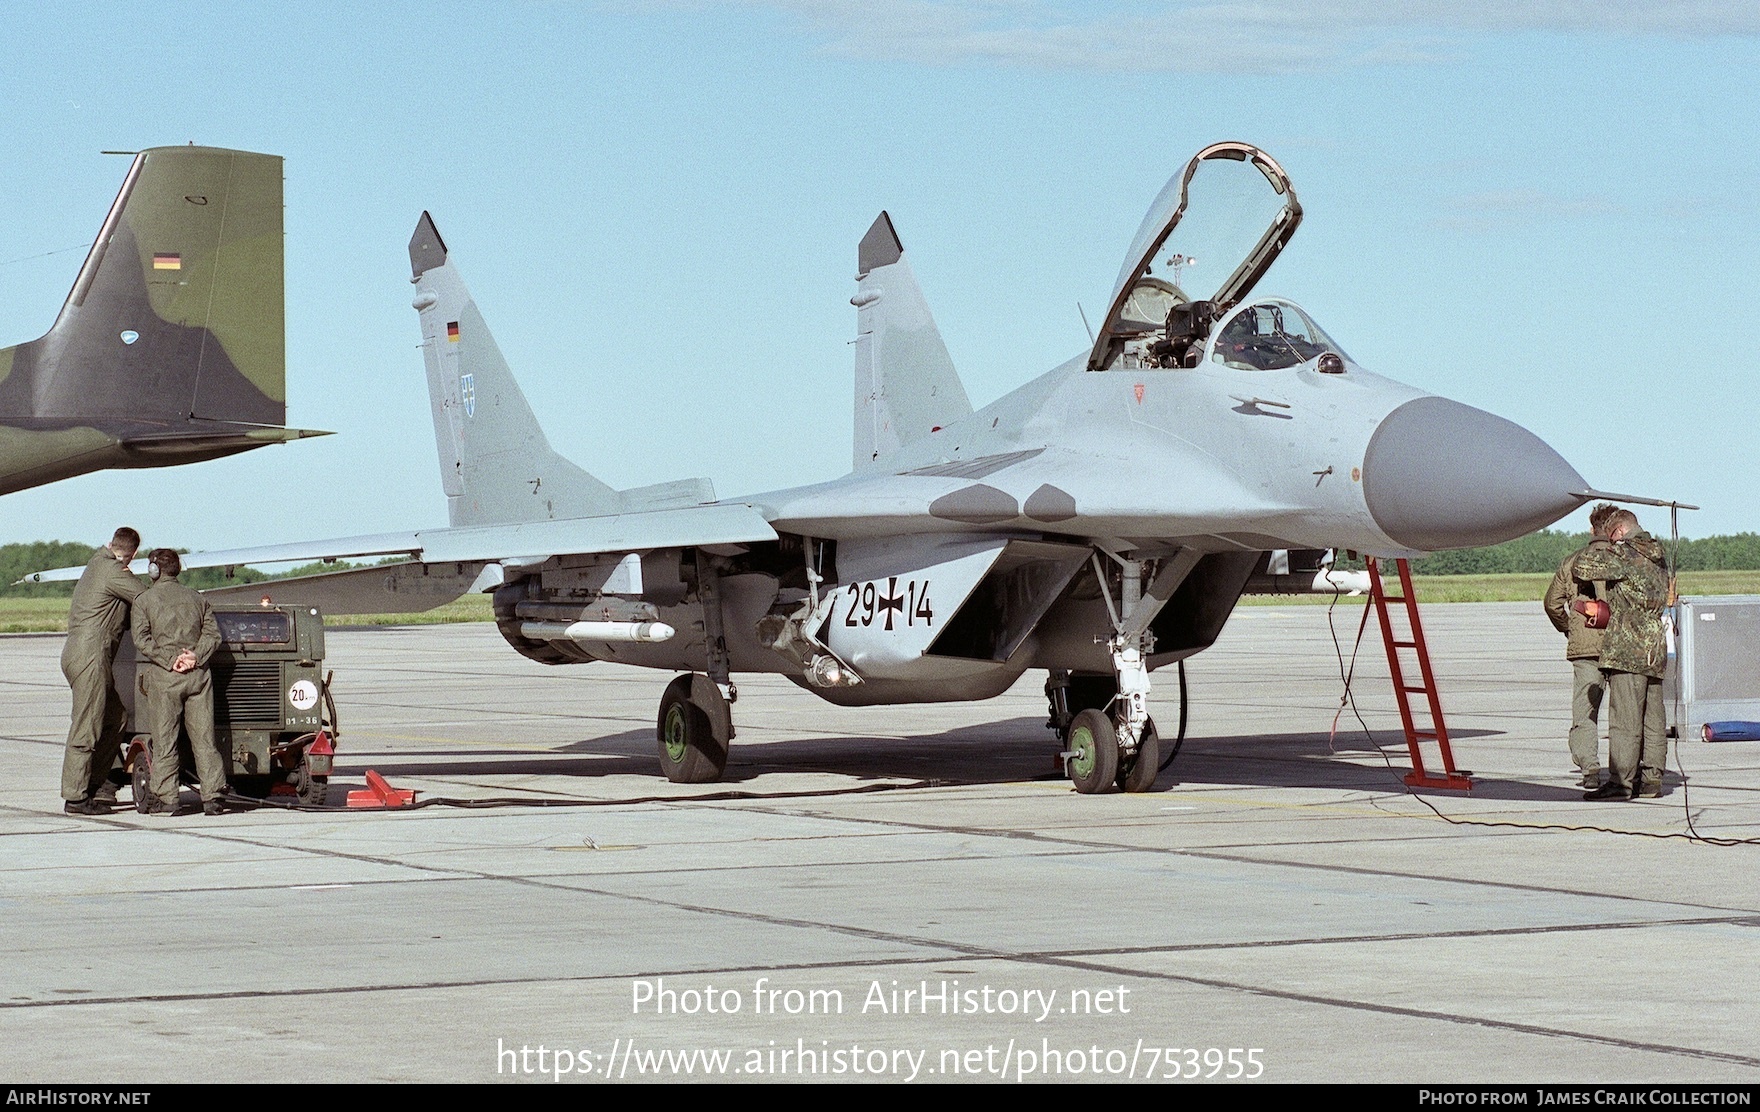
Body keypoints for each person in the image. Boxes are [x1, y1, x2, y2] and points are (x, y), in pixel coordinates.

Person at [1574, 510, 1669, 801]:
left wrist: (1602, 542)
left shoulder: (1625, 553)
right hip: (1654, 643)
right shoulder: (1657, 554)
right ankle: (1652, 779)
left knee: (1625, 717)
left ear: (1618, 532)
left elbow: (1583, 567)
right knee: (1653, 717)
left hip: (1628, 644)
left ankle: (1621, 781)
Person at [131, 549, 226, 816]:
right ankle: (213, 797)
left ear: (153, 570)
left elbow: (142, 639)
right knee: (205, 739)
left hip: (165, 678)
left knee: (165, 741)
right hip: (198, 676)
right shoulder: (198, 598)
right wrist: (195, 656)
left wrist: (170, 659)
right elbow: (213, 635)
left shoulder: (144, 601)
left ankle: (168, 799)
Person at [60, 527, 145, 815]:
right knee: (87, 725)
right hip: (90, 656)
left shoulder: (97, 564)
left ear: (111, 543)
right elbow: (146, 599)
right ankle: (75, 796)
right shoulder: (113, 572)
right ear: (132, 555)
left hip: (84, 653)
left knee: (115, 718)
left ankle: (94, 784)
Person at [1544, 505, 1619, 789]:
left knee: (1585, 711)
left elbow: (1552, 604)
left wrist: (1569, 628)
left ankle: (1590, 768)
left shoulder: (1571, 562)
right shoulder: (1624, 559)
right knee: (1624, 712)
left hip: (1586, 647)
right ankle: (1626, 771)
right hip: (1621, 646)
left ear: (1591, 529)